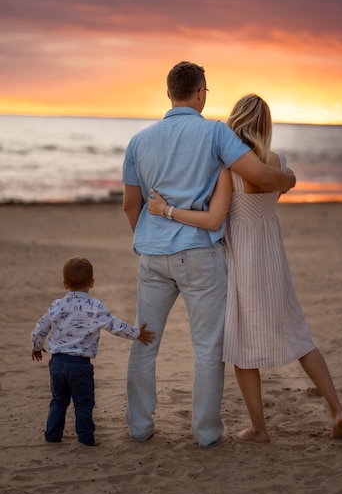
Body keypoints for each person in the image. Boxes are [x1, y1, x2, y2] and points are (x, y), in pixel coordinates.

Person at [147, 93, 342, 443]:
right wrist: (290, 178)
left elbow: (215, 219)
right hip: (273, 258)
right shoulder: (278, 162)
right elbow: (276, 187)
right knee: (300, 336)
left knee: (241, 346)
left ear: (235, 121)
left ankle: (259, 428)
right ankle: (336, 409)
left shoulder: (228, 166)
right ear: (265, 125)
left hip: (241, 260)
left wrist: (166, 209)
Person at [122, 61, 296, 448]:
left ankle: (139, 426)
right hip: (198, 255)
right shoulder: (215, 132)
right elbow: (262, 176)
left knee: (144, 340)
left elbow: (130, 205)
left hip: (152, 258)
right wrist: (289, 179)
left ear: (169, 93)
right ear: (200, 93)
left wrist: (149, 239)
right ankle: (205, 432)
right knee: (207, 348)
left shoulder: (139, 141)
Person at [31, 256, 155, 447]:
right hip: (80, 365)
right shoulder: (95, 307)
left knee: (58, 400)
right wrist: (137, 333)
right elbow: (115, 326)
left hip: (57, 363)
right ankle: (86, 439)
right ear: (92, 282)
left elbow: (40, 328)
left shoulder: (56, 305)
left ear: (64, 284)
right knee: (83, 403)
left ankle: (53, 436)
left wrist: (37, 346)